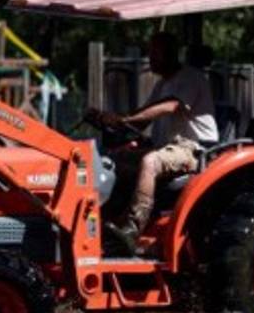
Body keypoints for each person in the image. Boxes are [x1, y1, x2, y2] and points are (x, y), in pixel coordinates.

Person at [92, 31, 218, 253]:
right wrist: (112, 120)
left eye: (155, 52)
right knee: (115, 159)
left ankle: (132, 228)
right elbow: (141, 120)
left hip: (194, 149)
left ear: (170, 53)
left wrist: (126, 119)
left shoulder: (191, 77)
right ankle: (107, 219)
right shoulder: (163, 84)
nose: (150, 57)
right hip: (168, 146)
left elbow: (171, 106)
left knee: (150, 162)